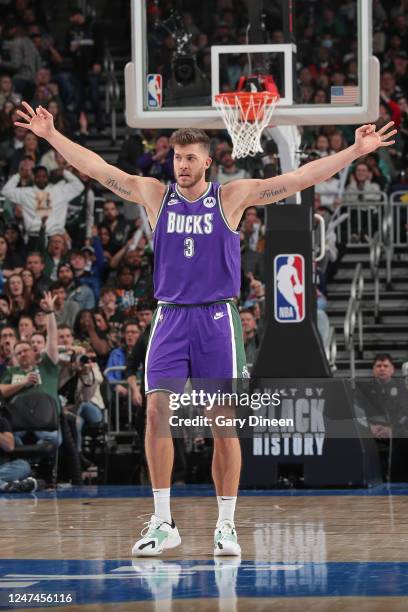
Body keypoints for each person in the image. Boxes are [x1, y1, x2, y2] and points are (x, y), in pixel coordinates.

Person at [14, 99, 397, 556]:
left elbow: (297, 179)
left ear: (208, 162)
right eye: (177, 158)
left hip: (217, 318)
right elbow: (98, 170)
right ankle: (162, 521)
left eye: (190, 158)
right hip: (170, 316)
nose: (182, 165)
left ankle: (226, 525)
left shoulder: (230, 197)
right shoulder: (156, 195)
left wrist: (354, 152)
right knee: (157, 414)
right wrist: (52, 136)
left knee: (222, 424)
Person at [0, 292, 60, 448]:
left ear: (34, 351)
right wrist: (23, 383)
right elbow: (2, 390)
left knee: (53, 440)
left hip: (46, 425)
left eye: (25, 350)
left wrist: (49, 313)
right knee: (13, 444)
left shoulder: (47, 365)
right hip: (20, 427)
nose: (22, 354)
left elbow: (52, 339)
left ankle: (40, 466)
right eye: (18, 353)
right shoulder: (13, 372)